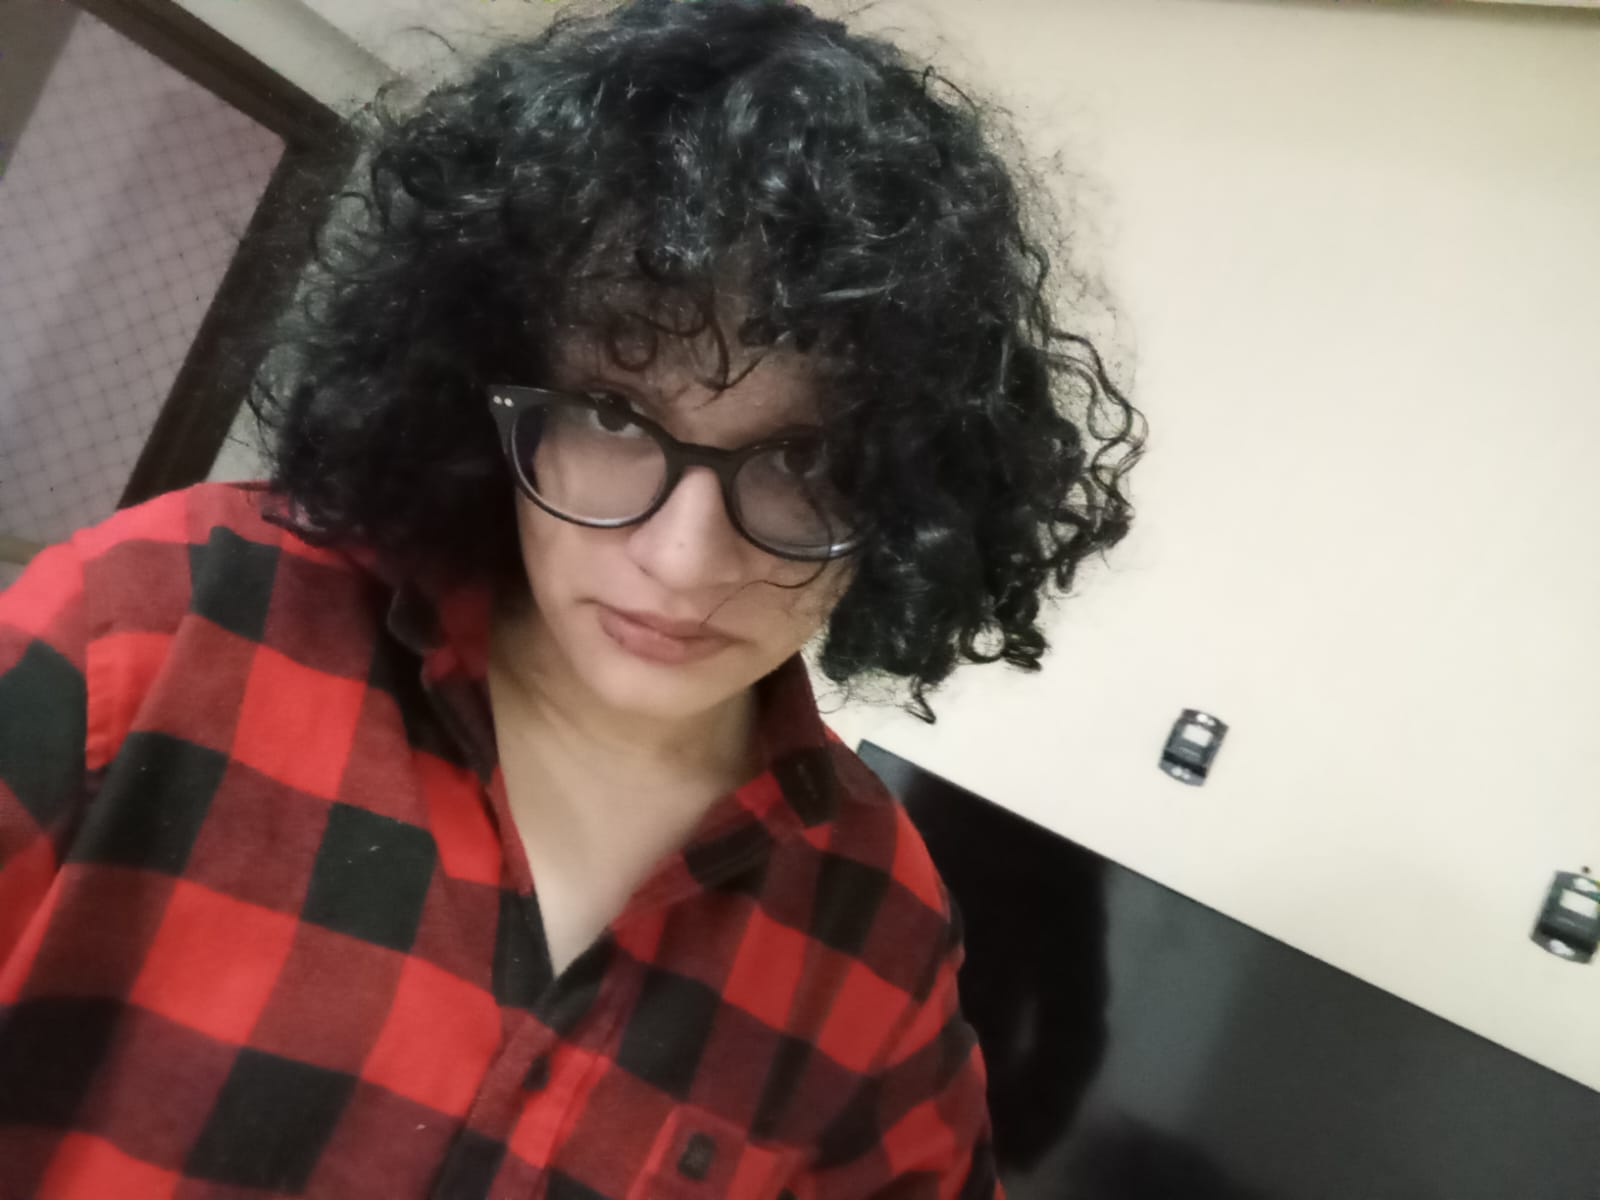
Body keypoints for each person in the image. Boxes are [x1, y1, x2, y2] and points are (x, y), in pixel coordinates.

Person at [0, 0, 1145, 1195]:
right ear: (491, 384)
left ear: (913, 491)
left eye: (804, 461)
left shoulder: (872, 929)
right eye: (613, 412)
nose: (683, 559)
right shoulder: (174, 619)